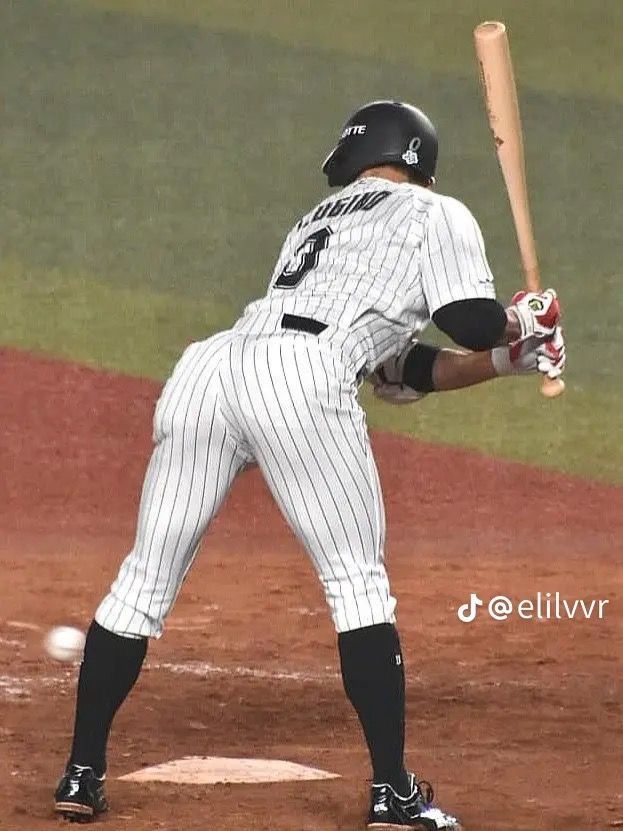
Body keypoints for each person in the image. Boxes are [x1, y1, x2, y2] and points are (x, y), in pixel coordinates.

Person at [54, 100, 565, 829]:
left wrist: (509, 359)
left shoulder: (318, 222)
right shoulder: (434, 210)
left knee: (141, 581)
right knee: (357, 584)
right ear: (420, 160)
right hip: (297, 374)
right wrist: (522, 319)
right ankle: (393, 791)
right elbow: (467, 318)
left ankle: (80, 774)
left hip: (209, 370)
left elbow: (400, 370)